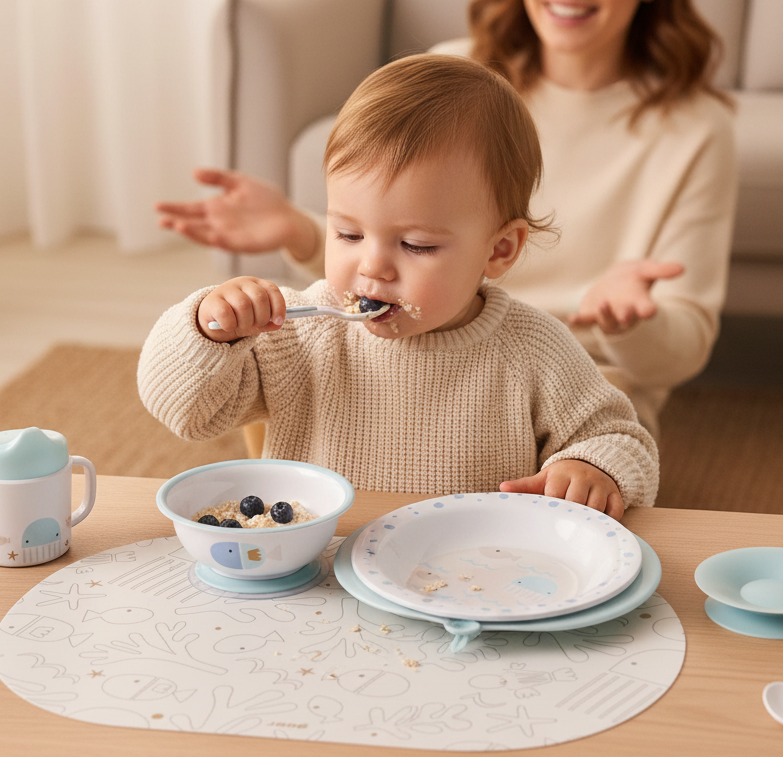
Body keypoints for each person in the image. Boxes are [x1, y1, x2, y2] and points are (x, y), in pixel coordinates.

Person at [154, 0, 737, 435]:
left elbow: (683, 349)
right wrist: (303, 229)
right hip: (412, 345)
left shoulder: (694, 127)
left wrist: (628, 320)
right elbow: (397, 246)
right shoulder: (456, 76)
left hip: (580, 379)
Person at [139, 56, 658, 517]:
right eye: (347, 233)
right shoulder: (300, 334)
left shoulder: (532, 347)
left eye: (416, 245)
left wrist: (593, 469)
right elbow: (184, 413)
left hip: (470, 575)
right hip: (321, 575)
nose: (373, 268)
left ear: (499, 250)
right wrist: (210, 329)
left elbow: (620, 437)